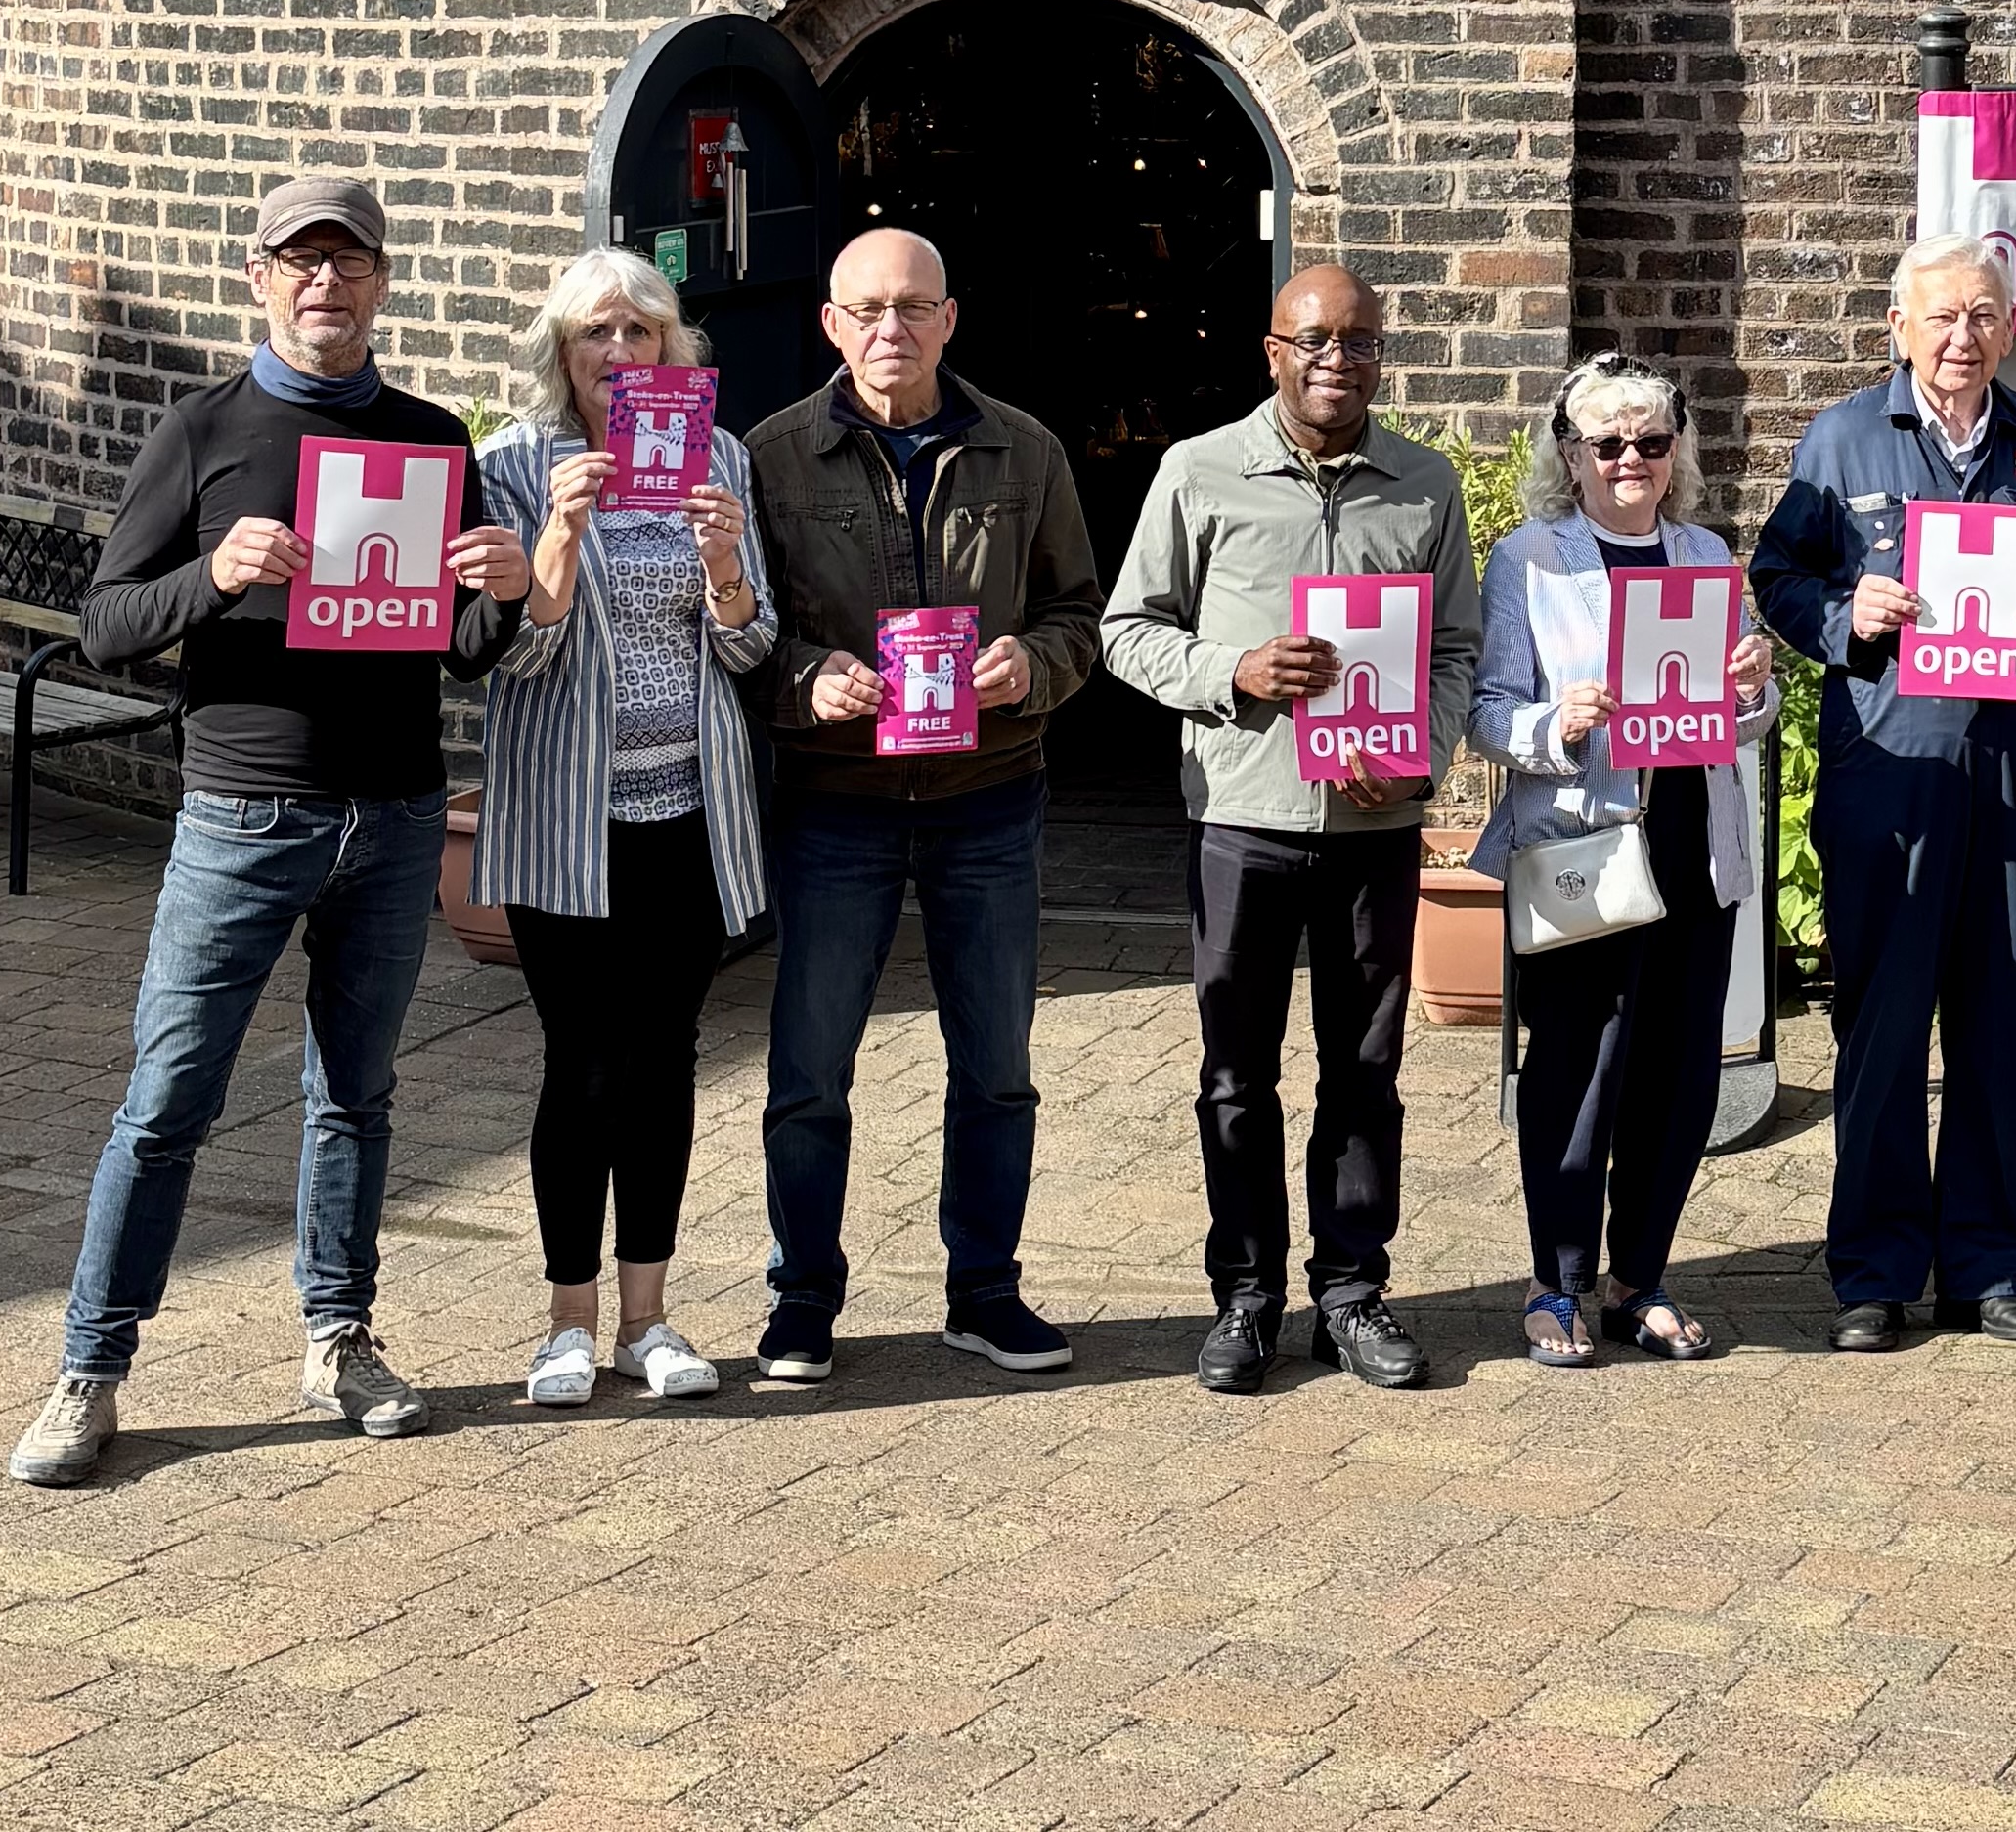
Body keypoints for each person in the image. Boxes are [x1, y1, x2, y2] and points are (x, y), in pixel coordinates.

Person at [8, 176, 531, 1487]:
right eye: (300, 263)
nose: (324, 286)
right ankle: (90, 1369)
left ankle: (339, 1338)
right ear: (258, 279)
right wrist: (215, 575)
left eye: (347, 265)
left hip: (398, 812)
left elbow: (459, 647)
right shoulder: (200, 432)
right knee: (166, 1103)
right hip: (243, 814)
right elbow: (106, 623)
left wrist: (509, 590)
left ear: (380, 286)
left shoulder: (425, 440)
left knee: (355, 1098)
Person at [1103, 264, 1476, 1395]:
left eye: (1359, 340)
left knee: (1364, 1068)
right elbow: (1127, 629)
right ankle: (1247, 1293)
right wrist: (1235, 669)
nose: (1336, 359)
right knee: (1235, 1069)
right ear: (1271, 349)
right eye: (1313, 339)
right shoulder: (1197, 471)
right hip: (1243, 816)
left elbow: (1455, 651)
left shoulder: (1423, 483)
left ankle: (1352, 1292)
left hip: (1375, 821)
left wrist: (1423, 752)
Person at [741, 226, 1105, 1386]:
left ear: (951, 318)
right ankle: (802, 1298)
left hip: (986, 798)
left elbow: (1080, 615)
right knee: (809, 1067)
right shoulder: (767, 457)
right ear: (831, 324)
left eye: (913, 307)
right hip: (833, 803)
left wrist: (1028, 667)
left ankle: (984, 1291)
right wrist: (807, 674)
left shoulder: (1025, 449)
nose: (890, 329)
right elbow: (737, 628)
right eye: (867, 309)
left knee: (994, 1061)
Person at [1754, 231, 2016, 1354]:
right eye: (1942, 315)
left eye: (1982, 316)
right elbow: (1778, 573)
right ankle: (1871, 1270)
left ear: (2009, 330)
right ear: (1898, 328)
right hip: (1891, 765)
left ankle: (1992, 1266)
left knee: (2003, 1023)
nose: (1962, 335)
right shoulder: (1841, 437)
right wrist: (1841, 617)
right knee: (1879, 1024)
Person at [470, 248, 783, 1411]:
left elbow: (750, 650)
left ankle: (648, 1316)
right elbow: (515, 652)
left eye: (640, 332)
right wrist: (557, 535)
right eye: (596, 332)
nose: (618, 353)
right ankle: (567, 1321)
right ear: (562, 349)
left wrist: (721, 564)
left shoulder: (720, 459)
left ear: (671, 350)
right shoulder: (510, 465)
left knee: (665, 1061)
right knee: (583, 1062)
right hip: (570, 817)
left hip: (686, 814)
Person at [1470, 353, 1775, 1367]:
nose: (1629, 458)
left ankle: (1636, 1273)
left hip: (1693, 837)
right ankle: (1552, 1278)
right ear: (1570, 453)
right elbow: (1486, 711)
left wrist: (1749, 685)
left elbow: (1746, 717)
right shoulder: (1531, 558)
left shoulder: (1703, 553)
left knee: (1677, 1075)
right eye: (1606, 442)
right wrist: (1554, 723)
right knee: (1575, 1067)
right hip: (1585, 841)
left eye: (1649, 440)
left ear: (1674, 449)